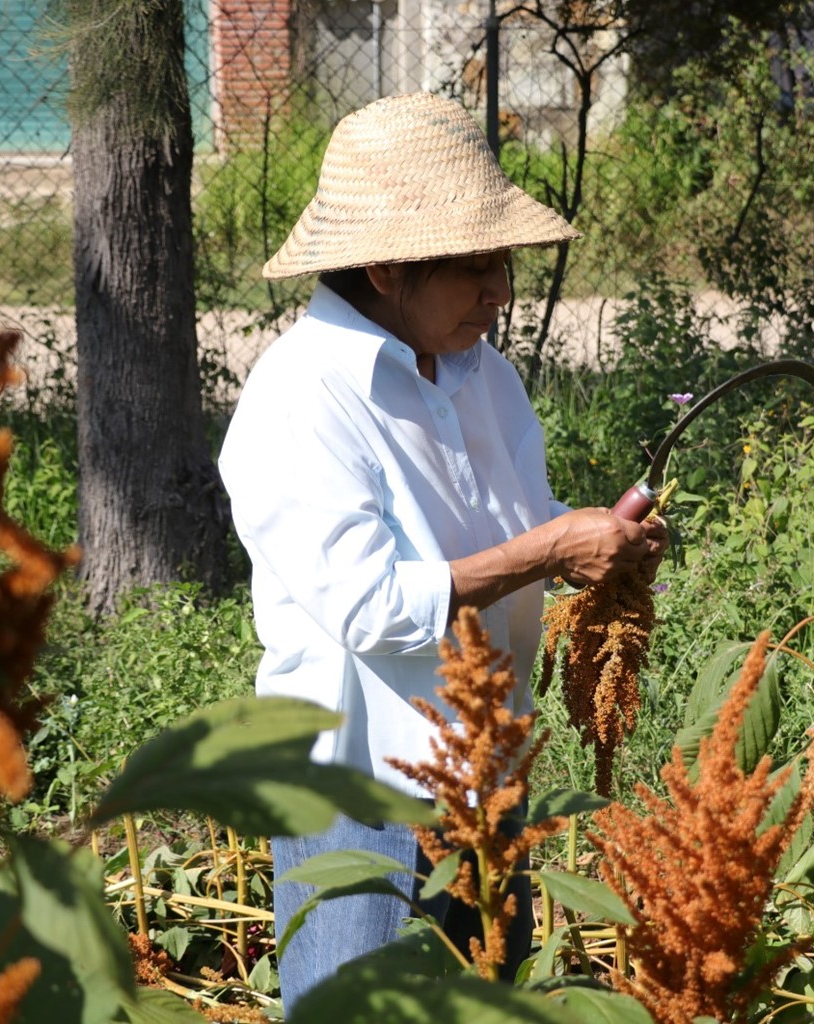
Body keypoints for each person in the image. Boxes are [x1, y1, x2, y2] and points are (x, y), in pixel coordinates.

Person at [217, 92, 666, 1016]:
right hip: (363, 796)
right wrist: (550, 547)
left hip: (484, 771)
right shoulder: (300, 396)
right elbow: (372, 608)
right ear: (386, 266)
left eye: (504, 263)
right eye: (476, 266)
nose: (501, 291)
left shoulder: (481, 374)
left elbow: (513, 523)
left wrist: (596, 544)